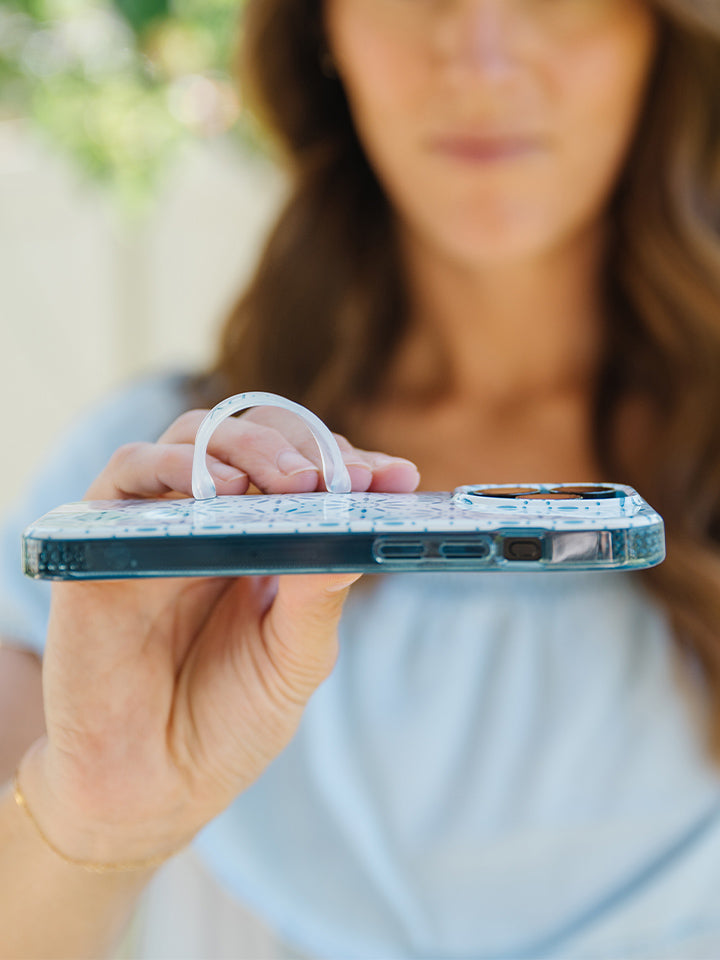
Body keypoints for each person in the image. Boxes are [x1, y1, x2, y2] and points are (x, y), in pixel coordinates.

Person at [2, 0, 720, 957]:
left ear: (662, 34)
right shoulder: (152, 496)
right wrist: (92, 834)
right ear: (322, 33)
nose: (480, 55)